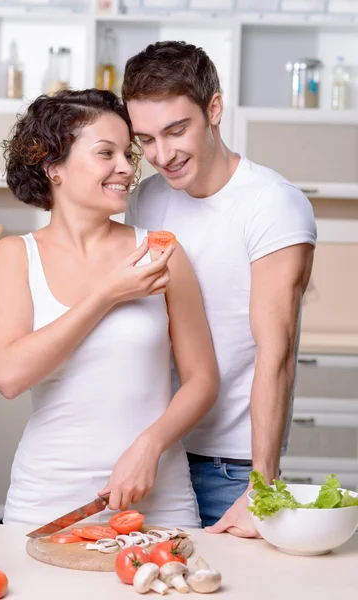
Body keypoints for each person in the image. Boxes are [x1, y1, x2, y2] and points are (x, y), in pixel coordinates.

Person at [0, 88, 219, 527]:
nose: (128, 168)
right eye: (105, 153)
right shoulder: (15, 255)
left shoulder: (161, 252)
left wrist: (149, 447)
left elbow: (202, 380)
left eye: (128, 154)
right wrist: (106, 294)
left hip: (158, 492)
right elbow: (10, 376)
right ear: (53, 165)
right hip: (49, 496)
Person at [122, 41, 317, 536]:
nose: (162, 155)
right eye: (145, 139)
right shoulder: (146, 198)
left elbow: (277, 353)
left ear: (214, 109)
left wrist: (262, 484)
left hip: (228, 467)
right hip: (155, 452)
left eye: (175, 130)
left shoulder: (272, 204)